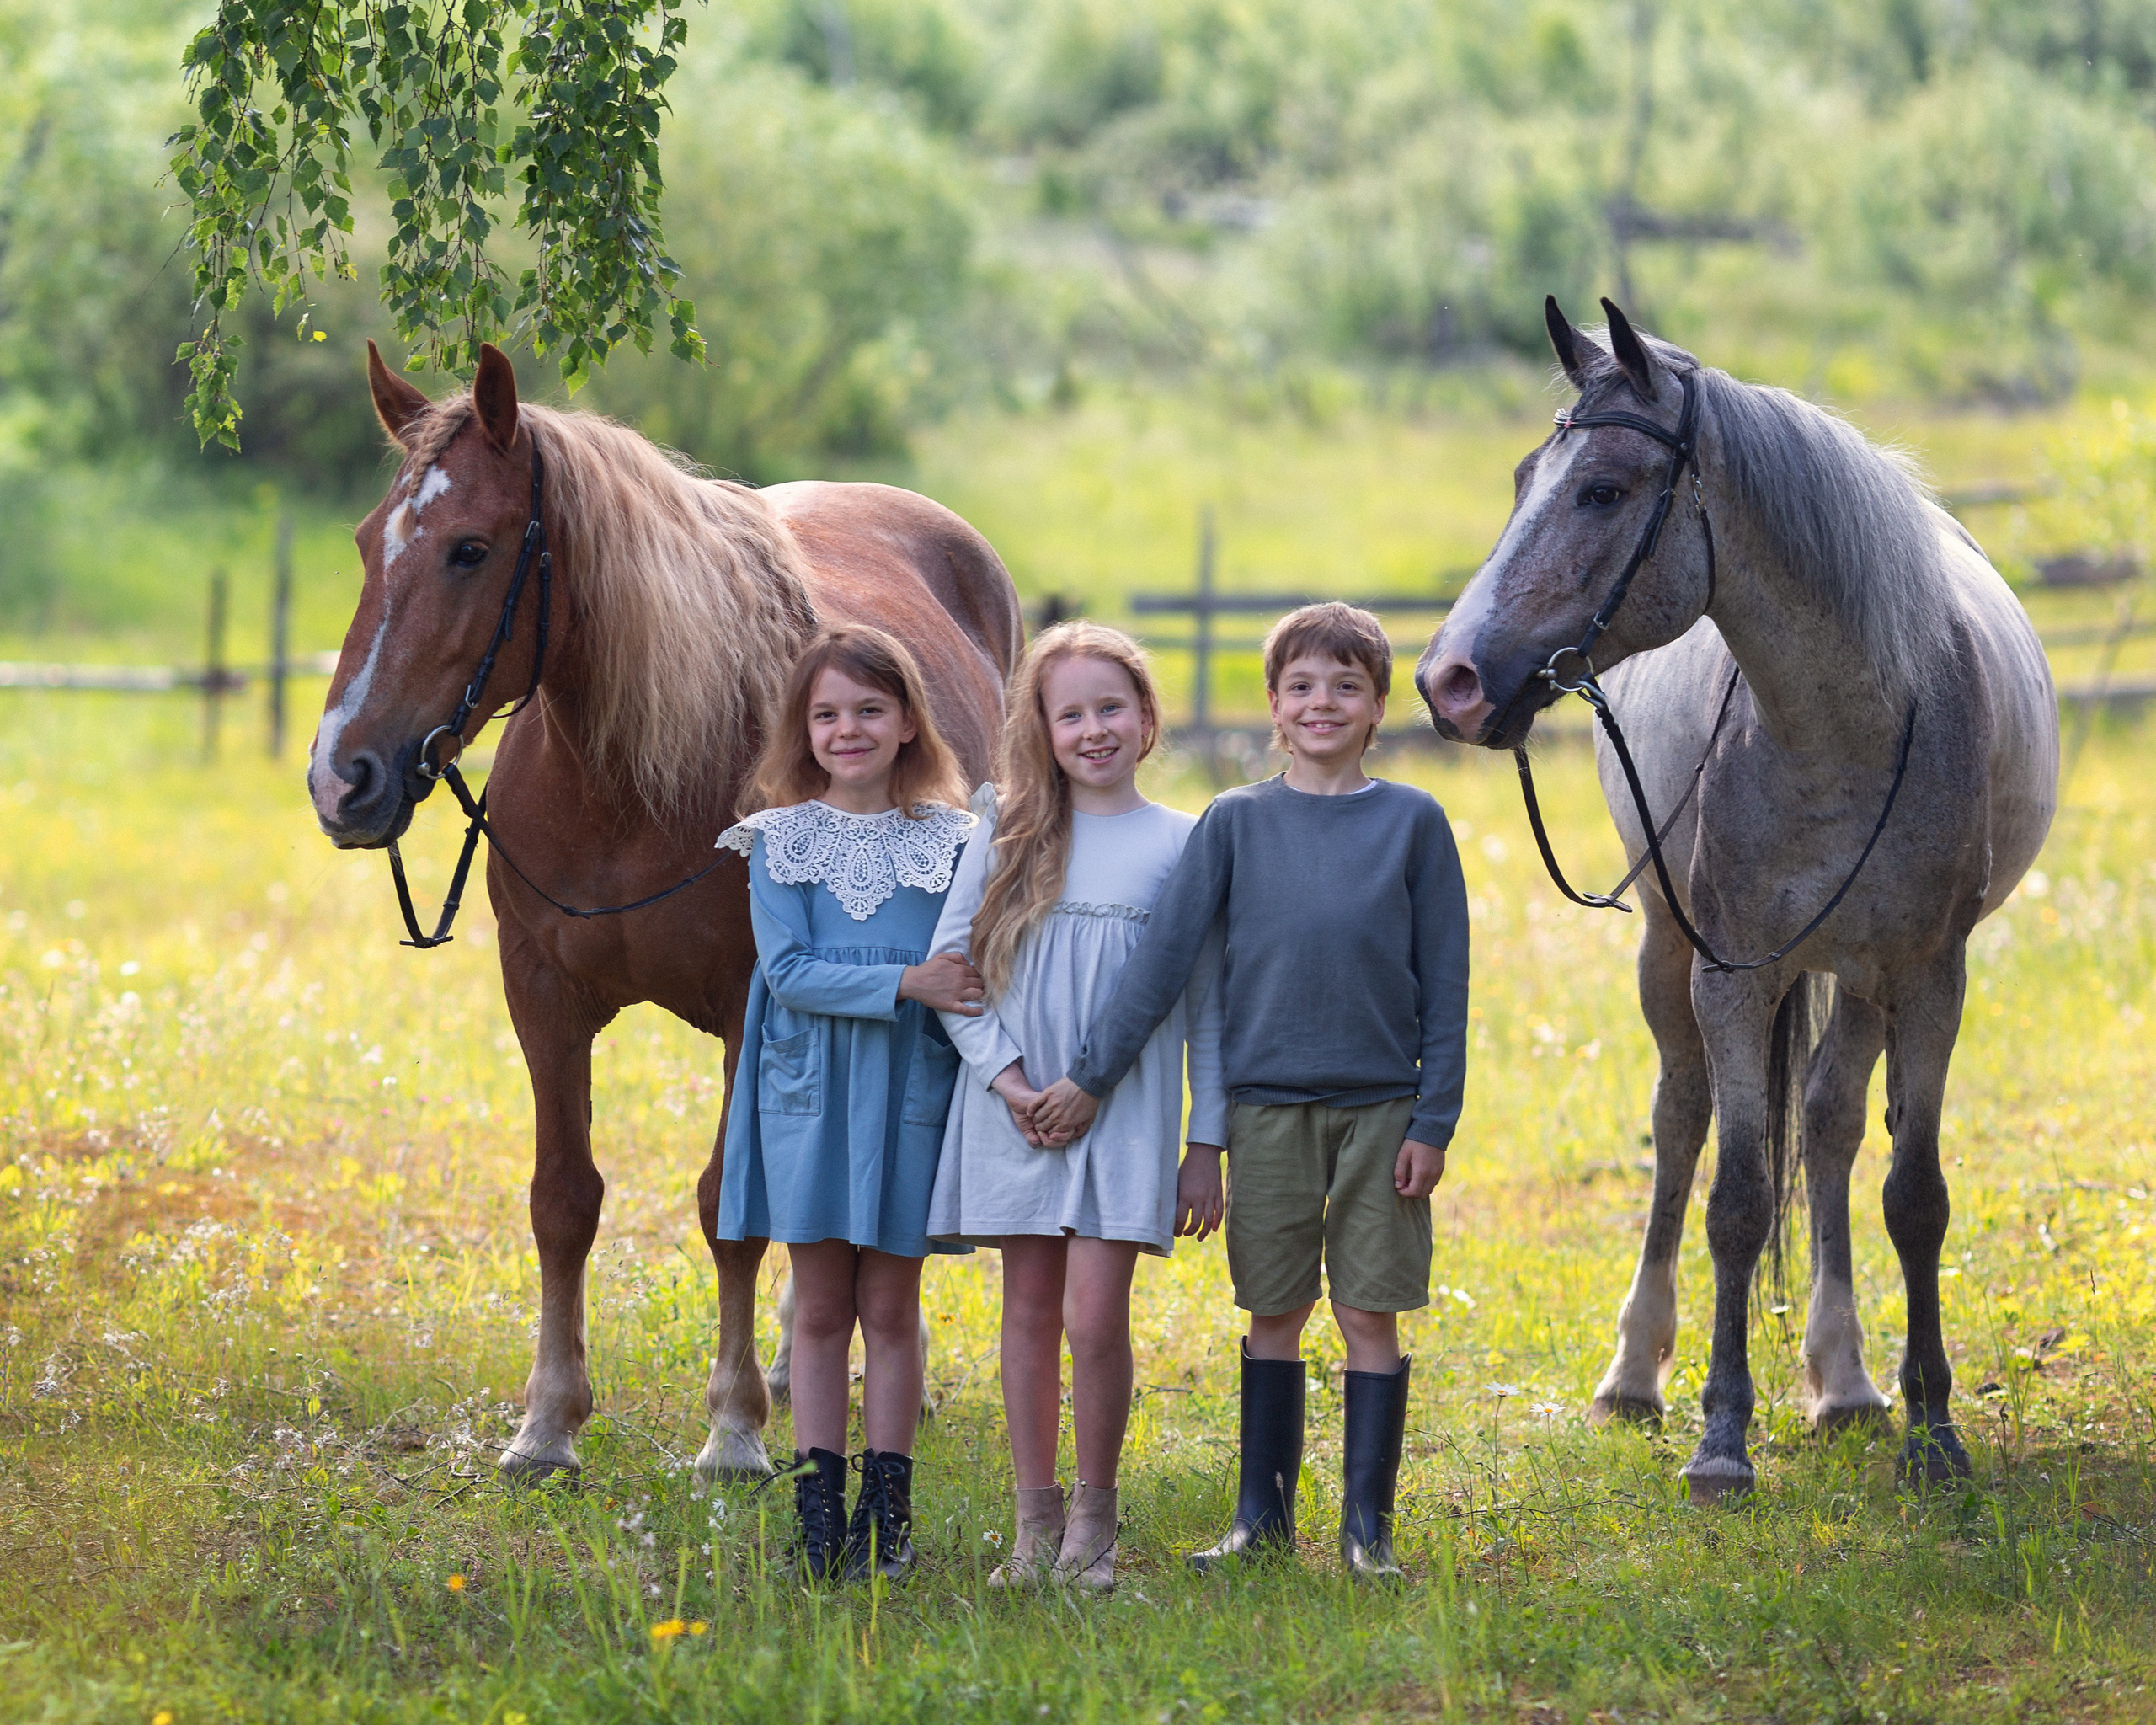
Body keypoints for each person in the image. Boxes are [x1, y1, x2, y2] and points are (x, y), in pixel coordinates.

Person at [1033, 601, 1470, 1582]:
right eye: (1302, 686)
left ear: (1375, 706)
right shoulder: (1234, 822)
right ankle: (1259, 1521)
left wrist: (1433, 1116)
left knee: (1367, 1313)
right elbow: (1161, 965)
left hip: (1381, 1111)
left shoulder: (1412, 822)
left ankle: (1367, 1533)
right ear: (1272, 704)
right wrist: (1091, 1076)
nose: (1323, 703)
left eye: (1345, 687)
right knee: (1272, 1309)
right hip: (1266, 1108)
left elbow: (1447, 983)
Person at [924, 622, 1228, 1593]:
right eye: (1070, 713)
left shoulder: (1186, 841)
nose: (1093, 728)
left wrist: (1204, 1141)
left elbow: (1207, 1007)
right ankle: (1033, 1519)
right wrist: (1007, 1080)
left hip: (1124, 1107)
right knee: (1028, 1309)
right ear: (1041, 729)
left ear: (1146, 719)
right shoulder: (1002, 829)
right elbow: (951, 976)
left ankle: (1093, 1520)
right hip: (1015, 1103)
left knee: (1095, 1317)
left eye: (1111, 707)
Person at [713, 625, 984, 1584]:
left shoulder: (955, 842)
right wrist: (910, 982)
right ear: (804, 729)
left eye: (870, 708)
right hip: (808, 1095)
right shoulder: (777, 840)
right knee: (820, 1304)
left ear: (909, 720)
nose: (848, 728)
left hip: (909, 1089)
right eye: (827, 713)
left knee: (891, 1302)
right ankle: (818, 1507)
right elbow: (787, 971)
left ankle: (888, 1504)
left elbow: (976, 969)